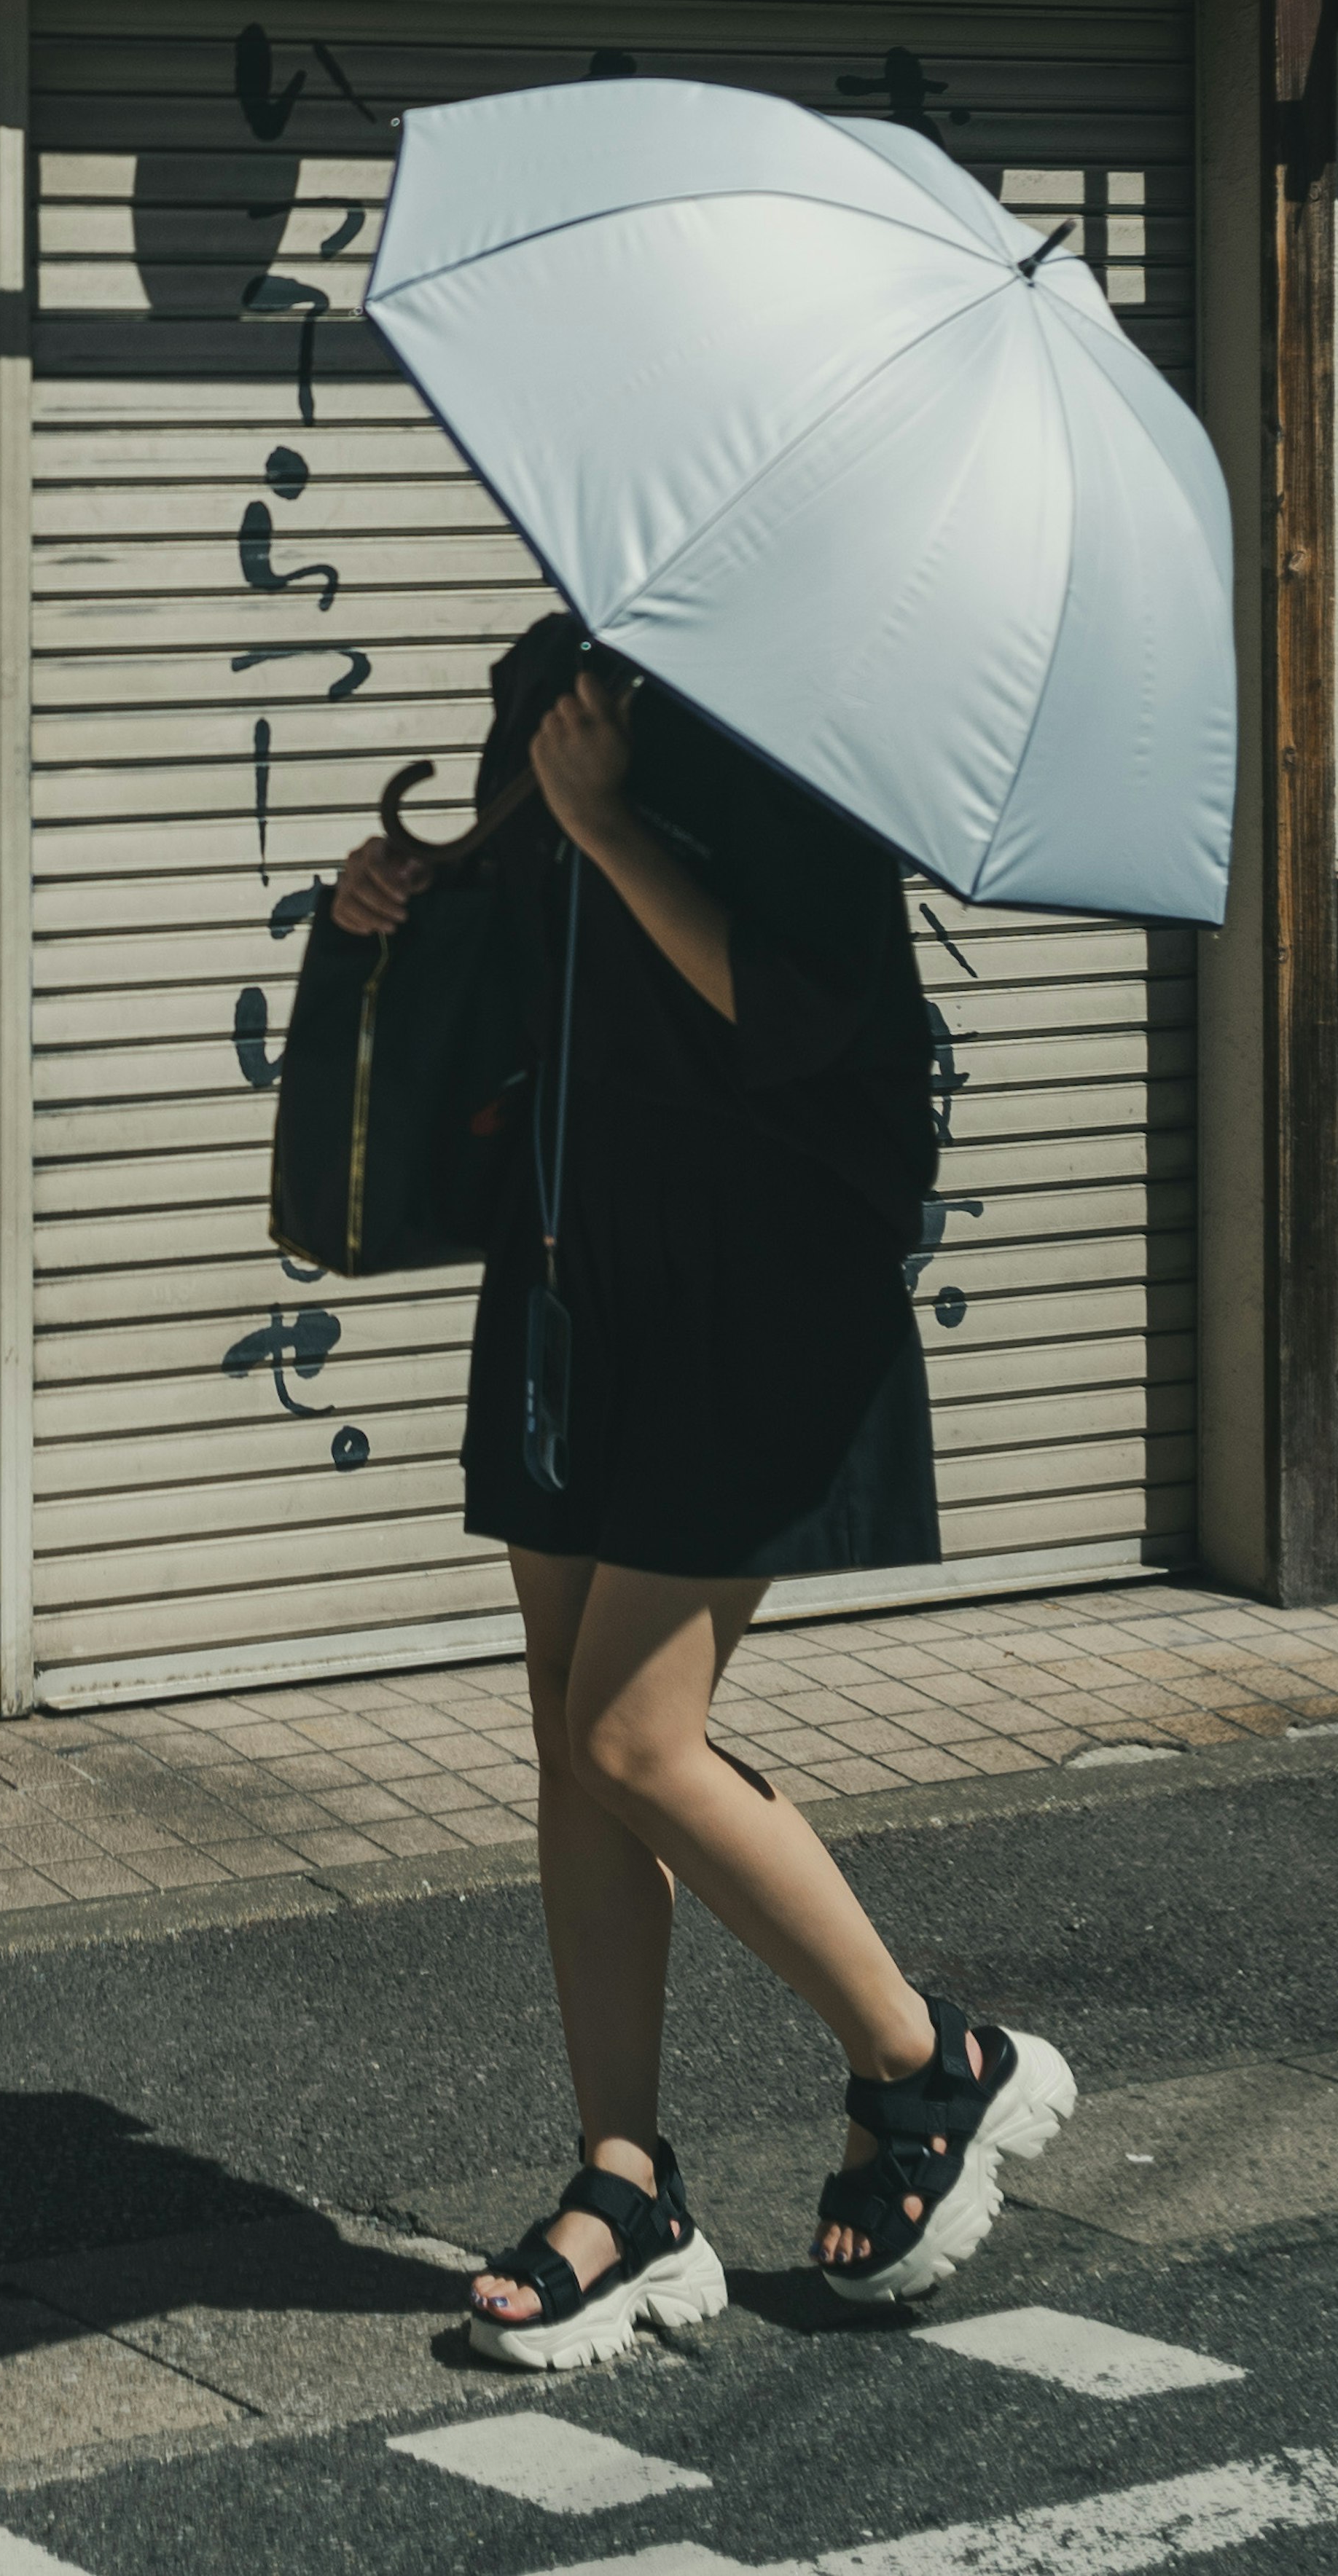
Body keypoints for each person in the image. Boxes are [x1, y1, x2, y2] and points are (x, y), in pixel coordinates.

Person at [328, 610, 1074, 2370]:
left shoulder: (822, 687)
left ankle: (924, 2060)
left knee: (633, 1738)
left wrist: (604, 821)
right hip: (579, 1265)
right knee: (560, 1715)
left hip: (763, 1277)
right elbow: (540, 942)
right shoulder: (565, 670)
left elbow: (814, 1011)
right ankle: (628, 2184)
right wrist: (413, 886)